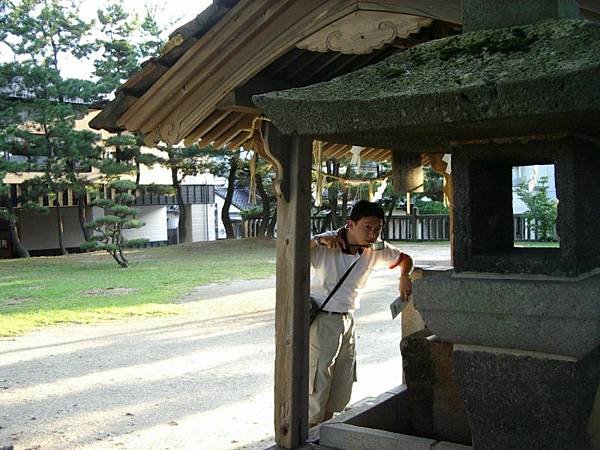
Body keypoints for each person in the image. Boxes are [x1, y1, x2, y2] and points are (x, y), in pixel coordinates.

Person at [308, 200, 413, 426]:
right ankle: (310, 432)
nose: (373, 234)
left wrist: (404, 276)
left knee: (341, 383)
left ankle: (326, 430)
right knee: (318, 383)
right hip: (323, 319)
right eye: (367, 227)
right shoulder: (328, 242)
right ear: (350, 224)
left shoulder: (374, 248)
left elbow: (405, 259)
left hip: (347, 320)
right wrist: (316, 240)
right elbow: (290, 254)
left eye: (377, 229)